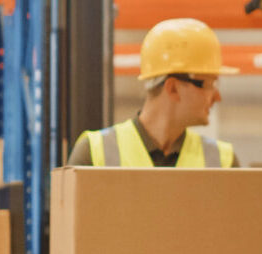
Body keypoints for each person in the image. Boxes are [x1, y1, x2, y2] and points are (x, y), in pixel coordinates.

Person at [68, 18, 239, 167]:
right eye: (209, 84)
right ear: (173, 88)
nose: (217, 97)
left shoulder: (223, 161)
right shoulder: (94, 154)